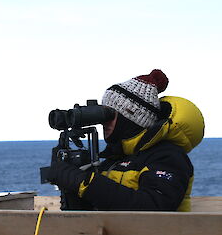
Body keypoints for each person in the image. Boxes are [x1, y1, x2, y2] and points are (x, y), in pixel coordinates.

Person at [47, 69, 205, 211]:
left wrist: (85, 183)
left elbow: (154, 206)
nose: (104, 123)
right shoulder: (113, 159)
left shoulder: (168, 157)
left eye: (110, 116)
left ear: (131, 119)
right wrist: (71, 181)